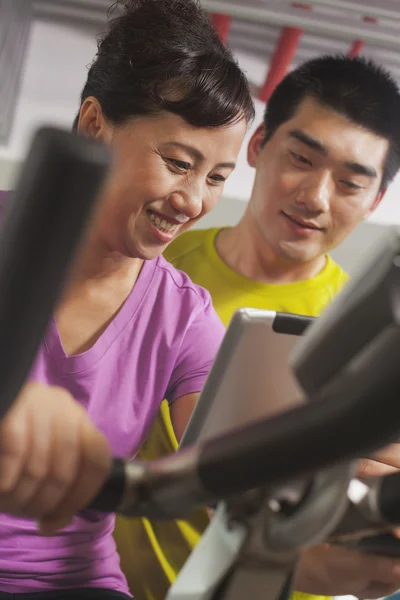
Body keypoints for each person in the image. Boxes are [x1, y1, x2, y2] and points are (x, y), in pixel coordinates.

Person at [118, 54, 400, 600]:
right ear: (258, 145)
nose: (315, 197)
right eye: (301, 158)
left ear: (375, 201)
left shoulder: (376, 335)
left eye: (350, 182)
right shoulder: (154, 269)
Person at [0, 0, 254, 597]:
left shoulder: (183, 316)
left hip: (72, 582)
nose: (193, 200)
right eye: (177, 162)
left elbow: (231, 464)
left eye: (216, 177)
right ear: (94, 124)